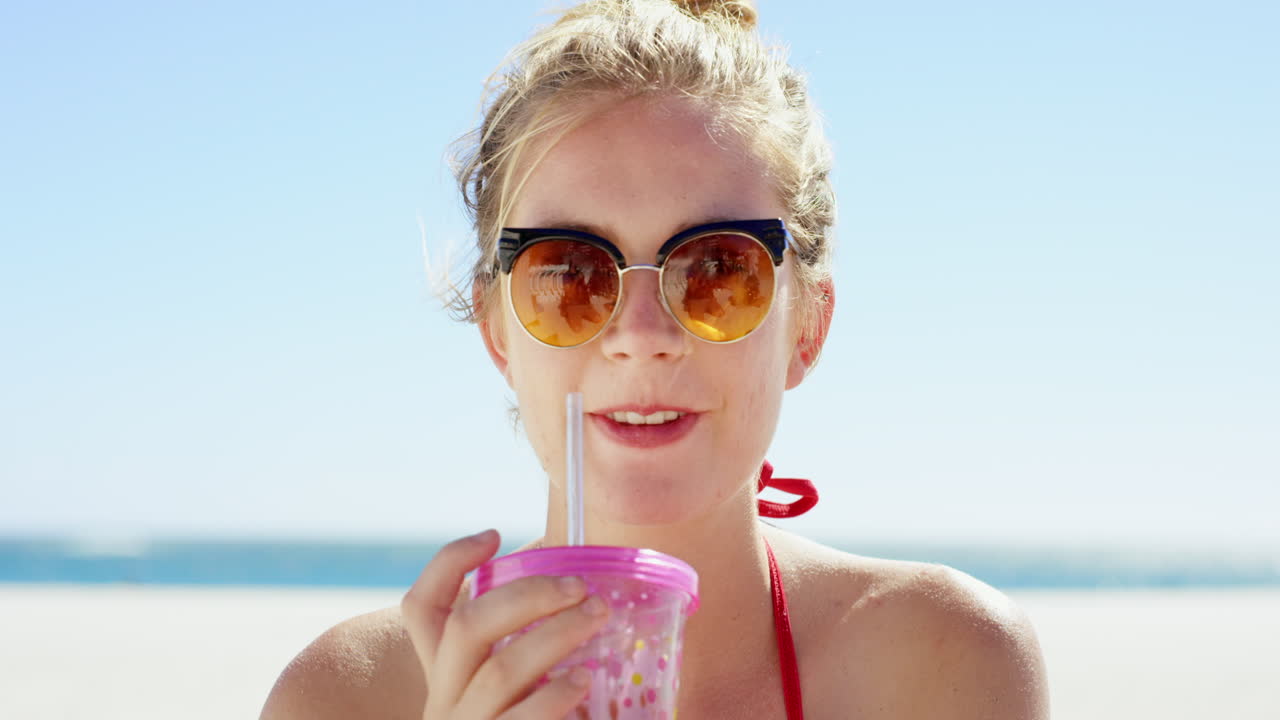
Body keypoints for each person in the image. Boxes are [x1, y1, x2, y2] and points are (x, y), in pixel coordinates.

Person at [261, 1, 1050, 717]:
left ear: (807, 326)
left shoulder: (944, 666)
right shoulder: (342, 698)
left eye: (717, 271)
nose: (640, 331)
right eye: (567, 274)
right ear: (498, 333)